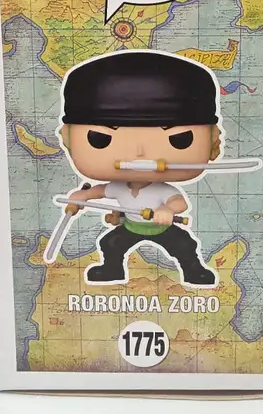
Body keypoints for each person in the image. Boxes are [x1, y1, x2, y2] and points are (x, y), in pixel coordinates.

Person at [59, 50, 221, 286]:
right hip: (132, 226)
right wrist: (82, 196)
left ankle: (194, 270)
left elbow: (180, 203)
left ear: (213, 138)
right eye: (100, 138)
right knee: (110, 243)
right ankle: (112, 269)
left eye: (179, 139)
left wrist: (167, 209)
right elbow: (100, 191)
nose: (139, 153)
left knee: (184, 244)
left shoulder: (161, 190)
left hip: (161, 228)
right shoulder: (119, 187)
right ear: (67, 138)